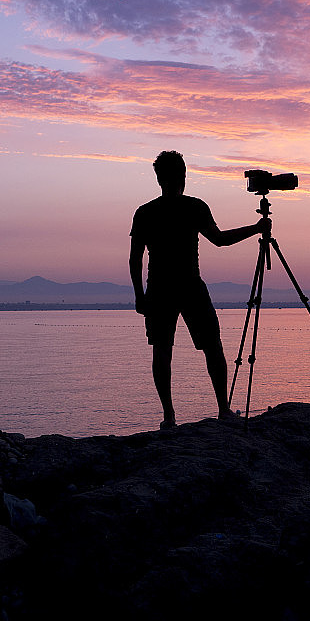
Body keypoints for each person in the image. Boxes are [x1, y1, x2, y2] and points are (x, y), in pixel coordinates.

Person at [129, 150, 265, 427]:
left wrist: (139, 296)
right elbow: (220, 240)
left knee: (163, 352)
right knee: (211, 347)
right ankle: (223, 410)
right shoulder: (194, 206)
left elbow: (134, 259)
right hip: (190, 287)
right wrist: (256, 228)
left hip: (159, 290)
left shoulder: (145, 212)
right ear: (183, 176)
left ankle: (169, 417)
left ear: (158, 178)